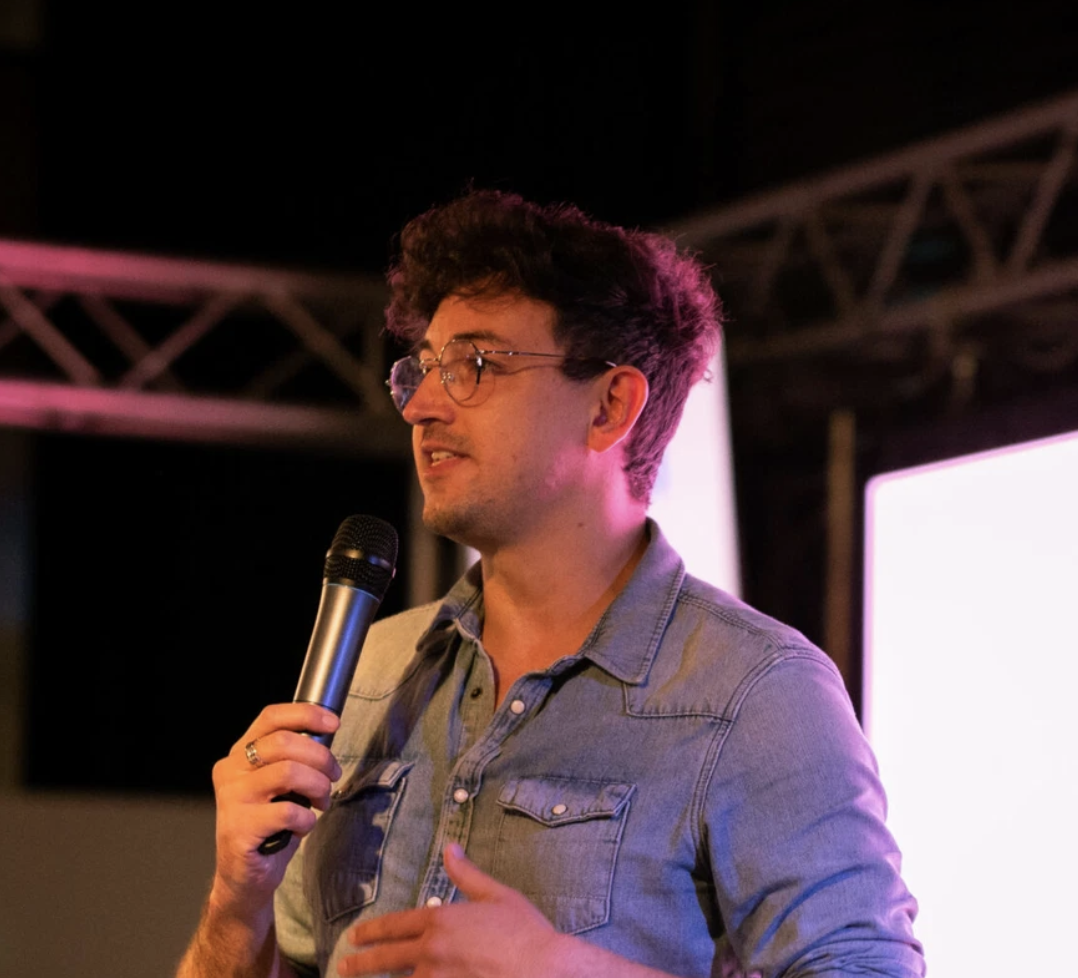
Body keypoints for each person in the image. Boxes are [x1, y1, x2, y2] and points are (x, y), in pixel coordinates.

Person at [178, 190, 924, 978]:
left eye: (475, 365)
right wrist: (236, 902)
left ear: (610, 406)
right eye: (422, 369)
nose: (422, 407)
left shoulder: (754, 691)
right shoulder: (371, 675)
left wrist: (567, 970)